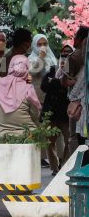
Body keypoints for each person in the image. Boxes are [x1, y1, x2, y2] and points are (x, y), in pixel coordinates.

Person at [41, 45, 74, 175]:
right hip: (51, 112)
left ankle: (64, 166)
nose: (65, 55)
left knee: (69, 141)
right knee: (49, 142)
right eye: (63, 53)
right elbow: (44, 86)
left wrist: (54, 82)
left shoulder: (75, 70)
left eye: (68, 53)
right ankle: (54, 168)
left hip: (66, 113)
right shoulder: (53, 69)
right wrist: (59, 82)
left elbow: (73, 86)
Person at [0, 55, 42, 138]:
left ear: (11, 66)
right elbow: (35, 115)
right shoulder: (28, 88)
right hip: (26, 136)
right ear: (26, 69)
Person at [66, 26, 89, 151]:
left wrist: (72, 97)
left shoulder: (74, 58)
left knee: (76, 137)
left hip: (82, 109)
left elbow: (74, 91)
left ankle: (77, 165)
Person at [28, 34, 57, 104]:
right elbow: (33, 72)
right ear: (34, 45)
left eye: (45, 44)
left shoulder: (52, 58)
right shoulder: (30, 59)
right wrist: (41, 57)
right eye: (39, 45)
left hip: (50, 96)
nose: (43, 47)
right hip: (36, 97)